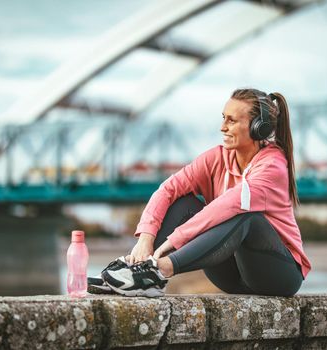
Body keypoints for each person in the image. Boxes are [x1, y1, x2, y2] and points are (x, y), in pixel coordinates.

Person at [88, 88, 311, 297]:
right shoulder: (217, 158)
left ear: (258, 128)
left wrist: (172, 243)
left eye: (231, 121)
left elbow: (229, 205)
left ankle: (160, 270)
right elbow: (167, 189)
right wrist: (145, 240)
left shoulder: (272, 166)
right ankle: (137, 268)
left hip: (277, 276)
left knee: (246, 216)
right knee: (183, 202)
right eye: (223, 118)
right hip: (231, 276)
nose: (222, 127)